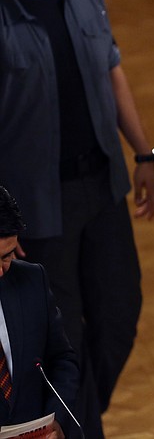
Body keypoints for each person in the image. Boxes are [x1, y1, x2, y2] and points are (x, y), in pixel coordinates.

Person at [0, 0, 154, 435]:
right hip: (40, 207)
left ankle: (81, 415)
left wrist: (143, 153)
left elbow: (112, 69)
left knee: (120, 312)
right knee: (61, 338)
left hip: (103, 186)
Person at [0, 186, 79, 439]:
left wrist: (57, 422)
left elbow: (61, 360)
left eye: (6, 256)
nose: (0, 271)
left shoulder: (32, 280)